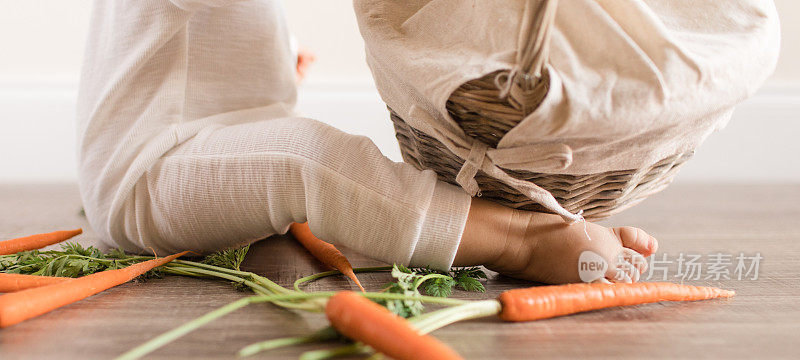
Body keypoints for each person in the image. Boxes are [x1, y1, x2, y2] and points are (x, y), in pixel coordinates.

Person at [77, 0, 655, 285]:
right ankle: (522, 238)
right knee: (312, 161)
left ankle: (538, 220)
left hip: (210, 132)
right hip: (148, 173)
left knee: (348, 206)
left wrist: (277, 54)